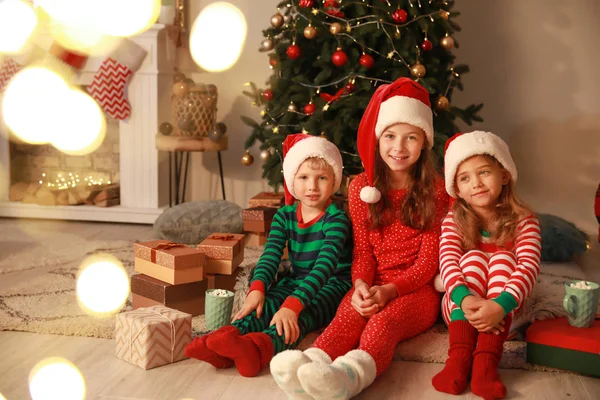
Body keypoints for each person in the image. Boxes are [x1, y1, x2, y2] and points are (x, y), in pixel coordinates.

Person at [270, 77, 449, 399]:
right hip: (372, 283)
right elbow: (363, 254)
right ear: (379, 138)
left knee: (382, 325)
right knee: (347, 316)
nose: (399, 147)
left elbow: (429, 262)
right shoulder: (361, 187)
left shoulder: (435, 189)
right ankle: (309, 365)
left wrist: (390, 291)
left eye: (411, 137)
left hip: (417, 291)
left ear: (424, 142)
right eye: (391, 136)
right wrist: (361, 286)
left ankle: (349, 377)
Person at [184, 134, 353, 377]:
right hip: (297, 277)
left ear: (335, 180)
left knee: (299, 315)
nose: (312, 186)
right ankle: (224, 341)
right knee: (267, 303)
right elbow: (271, 255)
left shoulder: (336, 219)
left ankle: (258, 350)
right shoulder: (284, 216)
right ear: (292, 180)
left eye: (322, 178)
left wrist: (293, 306)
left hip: (332, 283)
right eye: (304, 177)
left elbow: (324, 267)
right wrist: (257, 288)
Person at [431, 131, 541, 399]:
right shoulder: (453, 221)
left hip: (507, 308)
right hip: (462, 308)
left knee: (504, 258)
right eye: (465, 178)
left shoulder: (524, 220)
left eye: (484, 172)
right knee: (471, 258)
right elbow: (447, 261)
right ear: (456, 188)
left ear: (504, 175)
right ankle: (459, 358)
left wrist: (499, 305)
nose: (476, 184)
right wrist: (464, 297)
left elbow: (528, 266)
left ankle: (486, 362)